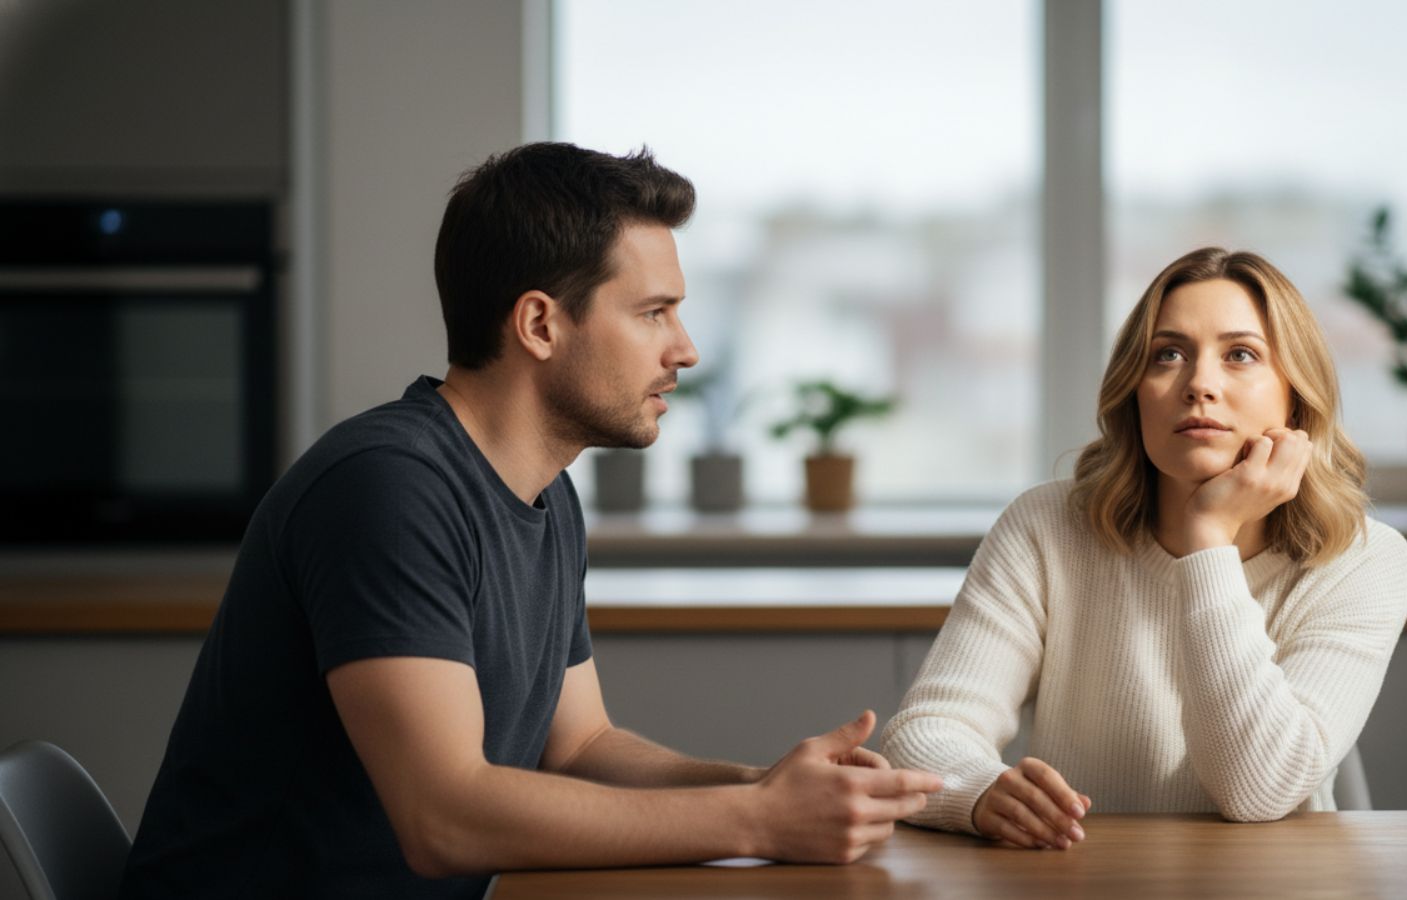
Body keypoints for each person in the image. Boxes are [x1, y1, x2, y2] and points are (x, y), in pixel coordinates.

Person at [121, 143, 940, 899]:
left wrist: (767, 788)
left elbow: (580, 748)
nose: (685, 349)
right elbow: (445, 819)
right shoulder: (388, 489)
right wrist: (758, 820)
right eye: (654, 312)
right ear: (541, 324)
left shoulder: (545, 495)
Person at [882, 247, 1407, 849]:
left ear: (1296, 395)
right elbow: (925, 733)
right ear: (1135, 391)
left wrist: (1207, 539)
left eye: (1240, 355)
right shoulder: (1046, 526)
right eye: (1169, 355)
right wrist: (978, 793)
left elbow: (1257, 790)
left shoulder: (1365, 560)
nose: (1200, 385)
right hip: (1081, 878)